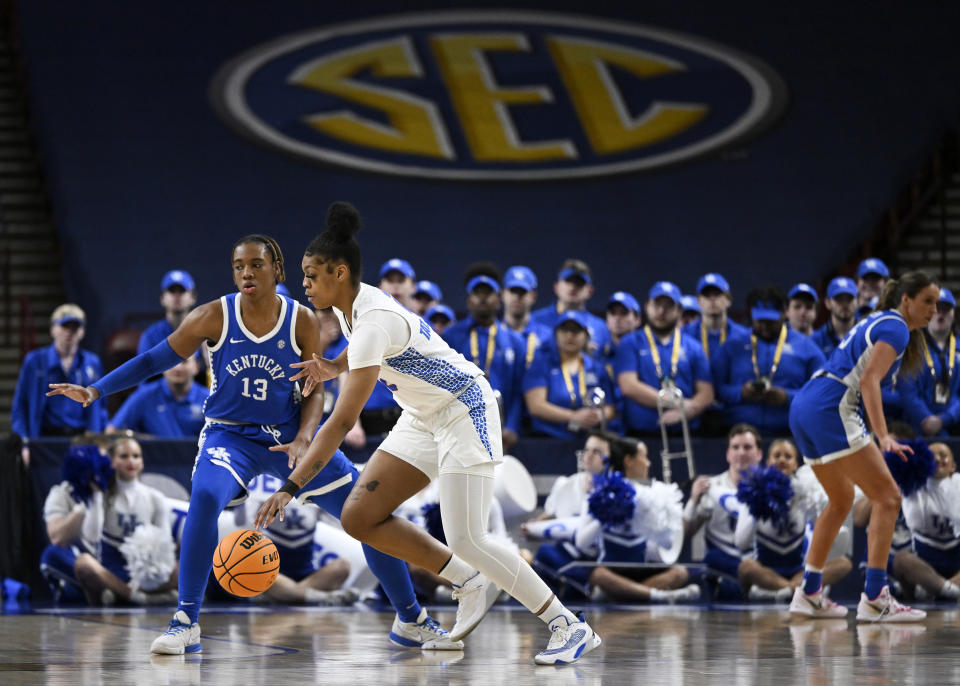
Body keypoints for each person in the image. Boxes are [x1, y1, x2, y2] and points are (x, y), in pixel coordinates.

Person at [48, 230, 456, 655]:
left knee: (365, 513)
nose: (246, 273)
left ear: (277, 269)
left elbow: (314, 385)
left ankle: (411, 618)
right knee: (204, 498)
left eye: (256, 264)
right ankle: (185, 621)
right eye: (239, 266)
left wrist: (302, 437)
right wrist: (96, 389)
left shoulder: (302, 319)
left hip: (288, 437)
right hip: (230, 436)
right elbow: (155, 360)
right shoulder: (212, 316)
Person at [254, 202, 601, 665]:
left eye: (311, 276)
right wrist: (334, 366)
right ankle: (468, 580)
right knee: (360, 516)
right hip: (423, 415)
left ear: (339, 272)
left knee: (469, 537)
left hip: (463, 408)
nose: (304, 285)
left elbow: (339, 423)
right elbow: (371, 355)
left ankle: (568, 625)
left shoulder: (371, 317)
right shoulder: (353, 309)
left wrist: (291, 487)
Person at [788, 270, 938, 622]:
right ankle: (875, 596)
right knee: (888, 497)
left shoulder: (882, 321)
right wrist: (884, 436)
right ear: (906, 300)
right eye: (927, 301)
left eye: (938, 303)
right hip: (831, 406)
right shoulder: (897, 327)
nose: (934, 309)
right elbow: (869, 381)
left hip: (806, 404)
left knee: (841, 500)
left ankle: (808, 592)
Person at [532, 435, 699, 603]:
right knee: (598, 574)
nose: (648, 463)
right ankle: (657, 595)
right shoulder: (602, 494)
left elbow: (668, 542)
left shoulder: (653, 494)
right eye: (644, 457)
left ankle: (622, 595)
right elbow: (582, 541)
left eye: (596, 451)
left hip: (641, 566)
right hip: (611, 568)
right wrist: (604, 516)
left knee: (680, 572)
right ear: (628, 461)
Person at [735, 438, 850, 602]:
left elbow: (824, 528)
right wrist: (756, 506)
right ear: (768, 462)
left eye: (788, 456)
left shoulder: (805, 492)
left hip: (798, 571)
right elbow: (741, 543)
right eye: (777, 456)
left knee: (844, 564)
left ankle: (783, 589)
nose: (782, 460)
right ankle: (796, 590)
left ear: (796, 464)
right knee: (745, 567)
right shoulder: (753, 491)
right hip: (765, 569)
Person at [72, 437, 179, 606]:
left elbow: (165, 544)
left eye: (136, 456)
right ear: (112, 461)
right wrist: (97, 495)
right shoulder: (102, 494)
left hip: (147, 574)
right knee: (83, 563)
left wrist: (154, 574)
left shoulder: (155, 498)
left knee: (189, 565)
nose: (131, 461)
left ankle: (119, 594)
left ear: (142, 462)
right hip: (111, 571)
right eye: (124, 456)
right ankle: (139, 597)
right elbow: (91, 536)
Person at [711, 286, 825, 436]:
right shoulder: (731, 346)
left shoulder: (807, 348)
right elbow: (715, 389)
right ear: (751, 314)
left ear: (784, 313)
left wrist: (787, 397)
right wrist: (741, 393)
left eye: (770, 321)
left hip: (789, 433)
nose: (764, 326)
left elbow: (821, 392)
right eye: (759, 320)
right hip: (738, 432)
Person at [615, 281, 714, 437]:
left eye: (668, 306)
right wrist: (675, 403)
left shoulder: (693, 346)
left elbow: (706, 392)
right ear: (647, 306)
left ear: (679, 311)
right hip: (641, 434)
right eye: (657, 305)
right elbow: (628, 385)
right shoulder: (630, 343)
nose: (661, 311)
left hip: (686, 433)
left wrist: (689, 409)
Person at [443, 274, 526, 451]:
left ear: (499, 300)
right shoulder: (451, 336)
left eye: (488, 293)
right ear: (468, 300)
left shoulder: (515, 341)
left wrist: (512, 427)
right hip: (459, 426)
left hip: (503, 429)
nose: (483, 298)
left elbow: (520, 390)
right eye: (477, 293)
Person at [683, 424, 763, 591]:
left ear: (759, 454)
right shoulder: (711, 486)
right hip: (723, 566)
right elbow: (685, 535)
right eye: (735, 447)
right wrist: (693, 500)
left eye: (747, 447)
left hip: (759, 563)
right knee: (713, 558)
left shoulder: (769, 489)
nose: (741, 452)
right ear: (728, 454)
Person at [12, 303, 107, 439]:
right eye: (64, 326)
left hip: (82, 438)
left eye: (75, 327)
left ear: (82, 332)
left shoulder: (92, 362)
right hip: (44, 437)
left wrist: (98, 440)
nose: (69, 331)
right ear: (52, 329)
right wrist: (24, 441)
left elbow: (101, 406)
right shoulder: (34, 361)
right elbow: (20, 406)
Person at [523, 311, 615, 439]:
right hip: (548, 440)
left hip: (586, 438)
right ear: (555, 334)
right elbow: (536, 406)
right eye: (565, 330)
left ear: (586, 336)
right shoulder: (540, 364)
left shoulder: (597, 367)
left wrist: (599, 415)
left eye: (576, 331)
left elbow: (610, 406)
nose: (570, 336)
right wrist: (573, 416)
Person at [893, 442, 960, 601]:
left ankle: (939, 589)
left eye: (943, 455)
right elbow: (914, 522)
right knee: (901, 560)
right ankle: (950, 591)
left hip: (956, 555)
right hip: (926, 556)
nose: (937, 459)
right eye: (931, 457)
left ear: (953, 466)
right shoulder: (913, 484)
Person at [899, 288, 960, 437]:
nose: (941, 314)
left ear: (953, 314)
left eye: (946, 309)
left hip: (954, 427)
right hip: (917, 427)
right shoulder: (911, 347)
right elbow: (908, 392)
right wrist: (926, 419)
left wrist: (944, 419)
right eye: (936, 308)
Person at [107, 356, 209, 438]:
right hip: (154, 462)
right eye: (172, 361)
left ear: (196, 367)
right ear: (162, 366)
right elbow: (112, 432)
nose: (177, 367)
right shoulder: (144, 395)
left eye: (184, 362)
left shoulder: (209, 398)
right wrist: (146, 441)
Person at [529, 259, 611, 356]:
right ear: (556, 287)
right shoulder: (534, 320)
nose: (573, 287)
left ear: (590, 291)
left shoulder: (601, 327)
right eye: (568, 281)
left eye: (579, 283)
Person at [683, 273, 749, 363]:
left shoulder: (743, 336)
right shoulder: (685, 334)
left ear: (729, 300)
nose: (712, 299)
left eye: (717, 294)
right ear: (698, 301)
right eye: (706, 295)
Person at [501, 265, 552, 368]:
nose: (516, 297)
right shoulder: (493, 335)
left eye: (522, 292)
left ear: (533, 296)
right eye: (513, 290)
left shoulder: (547, 336)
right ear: (502, 294)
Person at [138, 270, 198, 355]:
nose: (177, 295)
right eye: (172, 291)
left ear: (193, 298)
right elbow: (144, 367)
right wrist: (179, 368)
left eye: (182, 291)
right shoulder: (150, 336)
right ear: (162, 298)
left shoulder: (203, 332)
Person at [812, 277, 858, 360]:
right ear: (827, 303)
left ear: (857, 301)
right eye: (839, 299)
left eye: (849, 298)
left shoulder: (867, 335)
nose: (845, 304)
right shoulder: (816, 340)